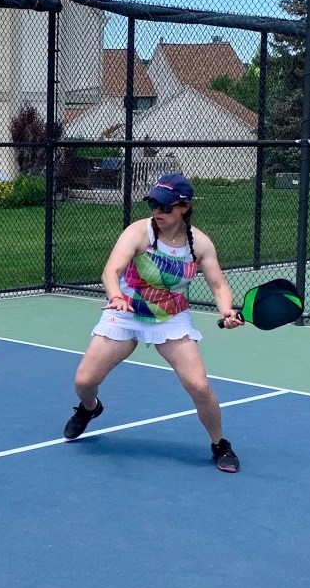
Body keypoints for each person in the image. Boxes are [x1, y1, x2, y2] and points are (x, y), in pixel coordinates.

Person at [62, 173, 244, 473]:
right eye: (153, 204)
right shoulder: (138, 232)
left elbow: (218, 284)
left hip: (170, 317)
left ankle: (220, 444)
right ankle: (90, 408)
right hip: (125, 311)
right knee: (84, 382)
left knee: (199, 387)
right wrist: (116, 295)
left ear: (184, 207)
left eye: (165, 206)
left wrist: (226, 310)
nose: (157, 211)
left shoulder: (199, 244)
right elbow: (111, 270)